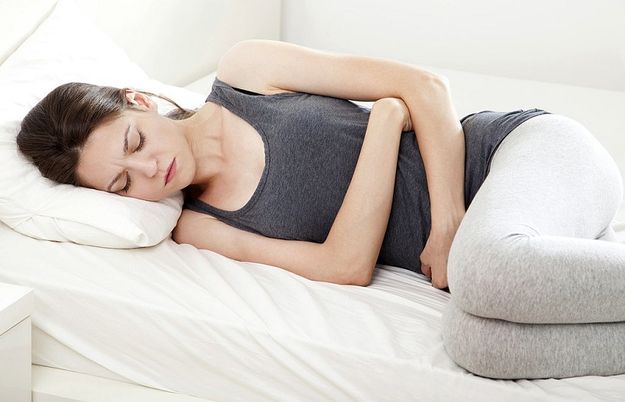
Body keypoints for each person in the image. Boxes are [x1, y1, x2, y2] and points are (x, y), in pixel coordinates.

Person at [16, 40, 623, 305]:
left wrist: (447, 226)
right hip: (505, 247)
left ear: (140, 101)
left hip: (515, 154)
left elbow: (424, 87)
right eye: (123, 184)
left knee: (489, 272)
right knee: (482, 348)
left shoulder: (245, 74)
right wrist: (384, 123)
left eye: (135, 141)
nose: (151, 170)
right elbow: (344, 267)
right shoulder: (197, 226)